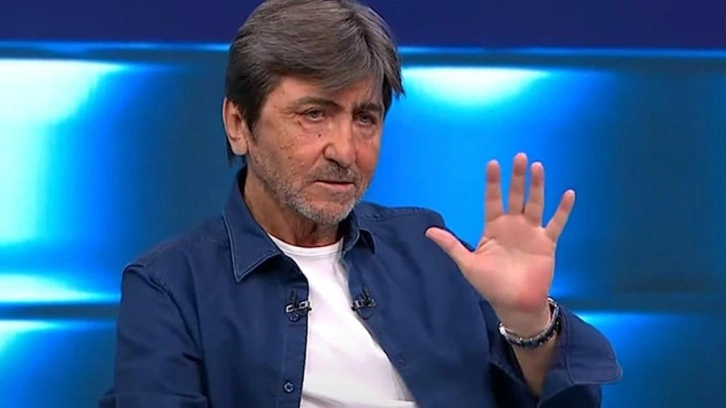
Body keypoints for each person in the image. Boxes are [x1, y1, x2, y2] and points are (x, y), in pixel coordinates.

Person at [99, 0, 622, 406]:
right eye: (314, 115)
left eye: (365, 118)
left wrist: (528, 322)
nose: (345, 151)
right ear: (239, 125)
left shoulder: (431, 251)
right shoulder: (170, 288)